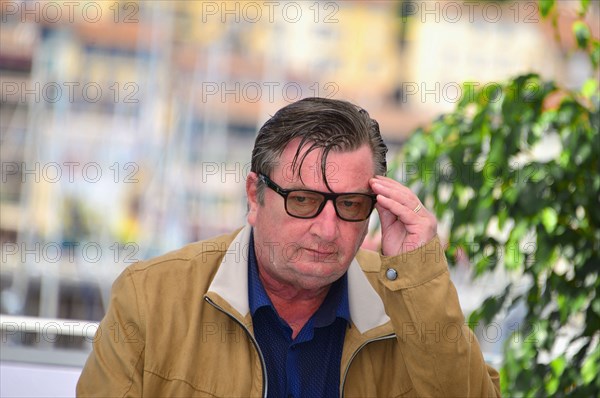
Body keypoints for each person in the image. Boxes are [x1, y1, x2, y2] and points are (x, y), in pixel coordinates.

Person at [77, 97, 500, 397]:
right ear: (253, 196)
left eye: (351, 204)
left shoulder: (407, 300)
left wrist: (418, 275)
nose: (328, 229)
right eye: (303, 200)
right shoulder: (151, 297)